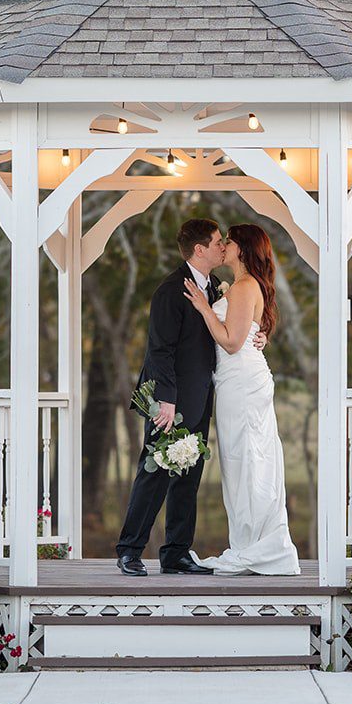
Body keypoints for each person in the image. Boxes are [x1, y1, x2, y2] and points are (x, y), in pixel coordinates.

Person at [113, 218, 264, 576]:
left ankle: (176, 552)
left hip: (202, 396)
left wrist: (259, 336)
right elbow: (159, 350)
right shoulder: (170, 290)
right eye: (216, 243)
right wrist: (166, 400)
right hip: (170, 400)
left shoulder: (214, 287)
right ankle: (129, 550)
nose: (222, 247)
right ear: (200, 250)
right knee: (155, 472)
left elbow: (234, 327)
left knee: (189, 476)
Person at [182, 223, 301, 575]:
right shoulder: (240, 287)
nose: (225, 247)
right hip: (235, 381)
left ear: (242, 249)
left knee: (249, 459)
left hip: (243, 383)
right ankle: (248, 542)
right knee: (240, 459)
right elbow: (247, 334)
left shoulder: (245, 287)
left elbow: (233, 342)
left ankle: (258, 546)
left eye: (229, 242)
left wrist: (205, 308)